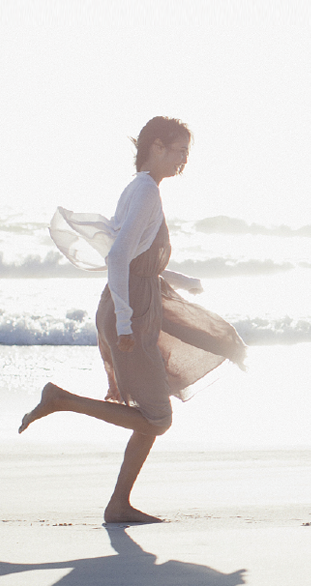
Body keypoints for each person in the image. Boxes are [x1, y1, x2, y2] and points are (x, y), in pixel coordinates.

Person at [19, 116, 246, 524]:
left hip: (137, 300)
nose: (184, 160)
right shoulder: (145, 192)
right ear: (156, 146)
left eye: (187, 152)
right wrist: (125, 324)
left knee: (149, 413)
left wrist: (180, 280)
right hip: (133, 307)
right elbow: (118, 256)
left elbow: (135, 256)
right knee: (158, 418)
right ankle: (61, 400)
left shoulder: (141, 188)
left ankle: (119, 504)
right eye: (179, 150)